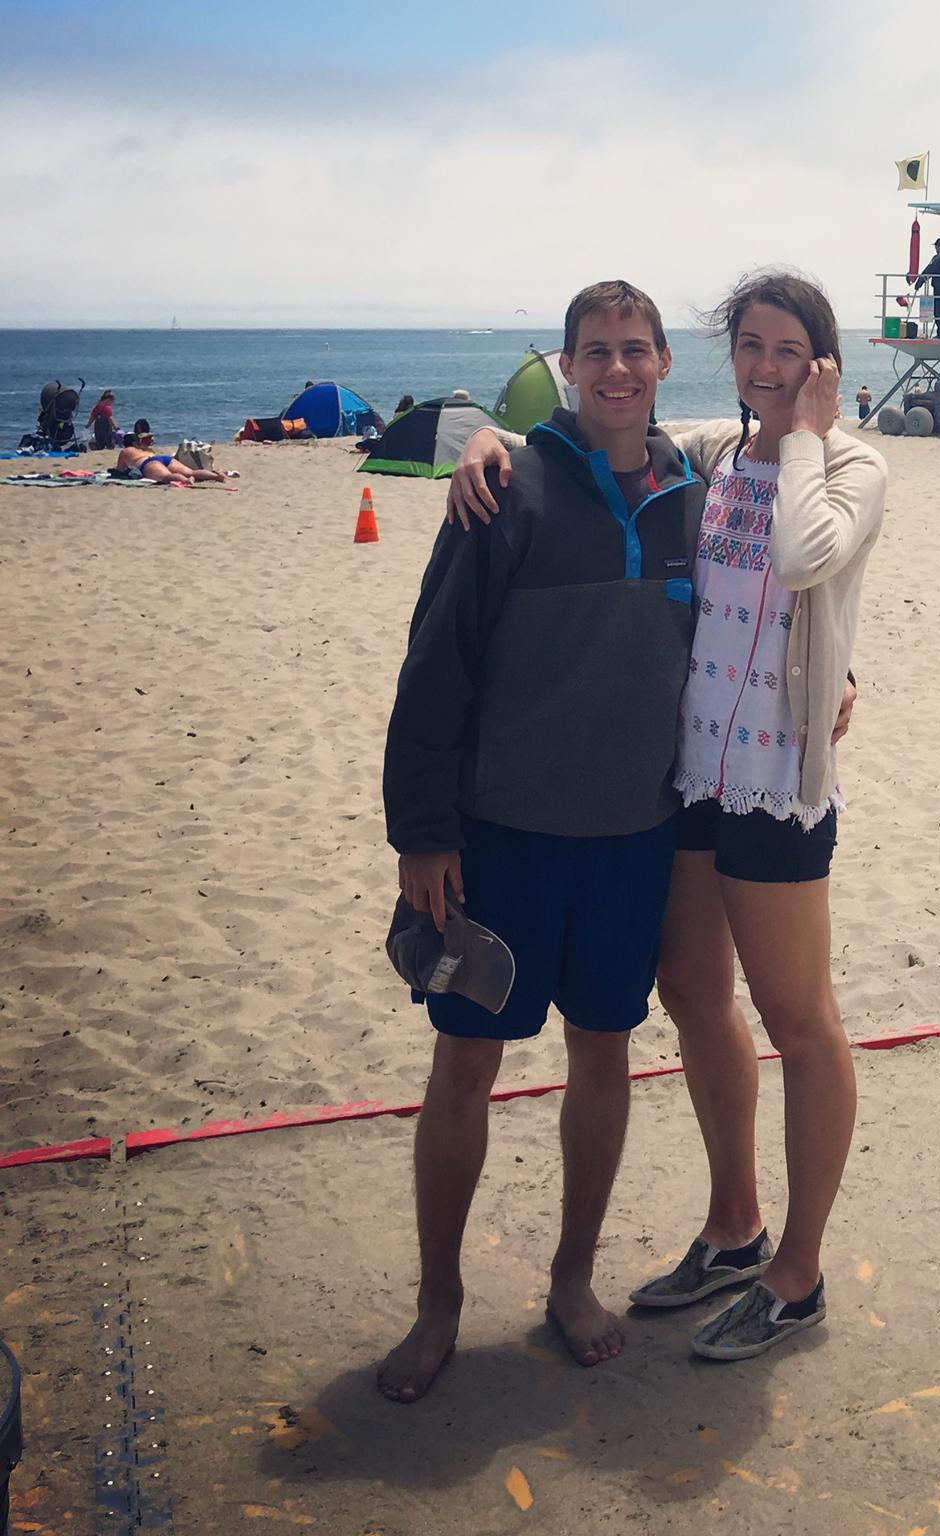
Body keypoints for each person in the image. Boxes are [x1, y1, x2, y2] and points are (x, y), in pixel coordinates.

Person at [449, 273, 884, 1365]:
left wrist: (805, 441)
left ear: (821, 363)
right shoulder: (710, 451)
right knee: (692, 994)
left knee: (801, 1019)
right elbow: (602, 419)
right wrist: (485, 440)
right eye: (750, 345)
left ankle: (798, 1271)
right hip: (688, 770)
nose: (767, 366)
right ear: (727, 357)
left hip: (778, 781)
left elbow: (801, 558)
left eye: (790, 348)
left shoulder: (852, 465)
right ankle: (735, 1225)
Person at [376, 280, 706, 1404]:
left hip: (631, 840)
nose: (616, 368)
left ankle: (571, 1279)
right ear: (567, 367)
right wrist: (421, 835)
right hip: (499, 843)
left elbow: (759, 615)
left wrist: (838, 675)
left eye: (634, 349)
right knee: (464, 1060)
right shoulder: (504, 488)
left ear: (664, 361)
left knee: (603, 1050)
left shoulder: (690, 495)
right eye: (594, 351)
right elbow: (435, 665)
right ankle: (439, 1303)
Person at [113, 424, 229, 484]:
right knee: (191, 472)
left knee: (167, 477)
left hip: (148, 464)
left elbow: (120, 469)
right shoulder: (145, 448)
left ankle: (187, 481)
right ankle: (217, 476)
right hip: (163, 458)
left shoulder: (125, 451)